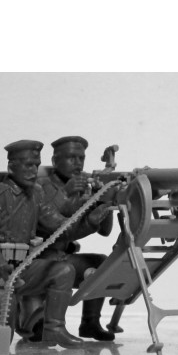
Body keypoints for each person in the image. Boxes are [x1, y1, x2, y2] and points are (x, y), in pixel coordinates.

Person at [0, 139, 110, 349]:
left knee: (63, 271)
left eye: (36, 166)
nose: (33, 171)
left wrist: (90, 223)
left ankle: (54, 329)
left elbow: (60, 228)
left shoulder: (36, 193)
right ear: (11, 166)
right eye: (28, 165)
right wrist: (0, 267)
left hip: (24, 267)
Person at [37, 135, 115, 341]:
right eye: (71, 158)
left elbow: (105, 231)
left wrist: (103, 199)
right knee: (71, 268)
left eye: (81, 158)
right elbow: (46, 223)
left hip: (62, 254)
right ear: (55, 161)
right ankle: (48, 325)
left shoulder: (85, 185)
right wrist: (66, 192)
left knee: (102, 263)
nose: (78, 163)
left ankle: (90, 323)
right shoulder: (42, 186)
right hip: (39, 255)